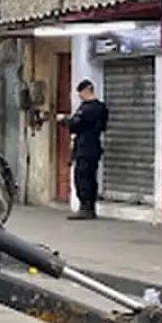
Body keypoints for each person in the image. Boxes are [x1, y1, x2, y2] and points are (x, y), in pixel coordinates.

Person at [58, 79, 109, 220]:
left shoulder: (87, 109)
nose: (79, 96)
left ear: (87, 90)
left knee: (82, 177)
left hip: (84, 146)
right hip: (95, 145)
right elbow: (102, 126)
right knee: (91, 177)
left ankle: (85, 208)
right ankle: (90, 207)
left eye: (80, 93)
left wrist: (63, 120)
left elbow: (75, 124)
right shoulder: (102, 108)